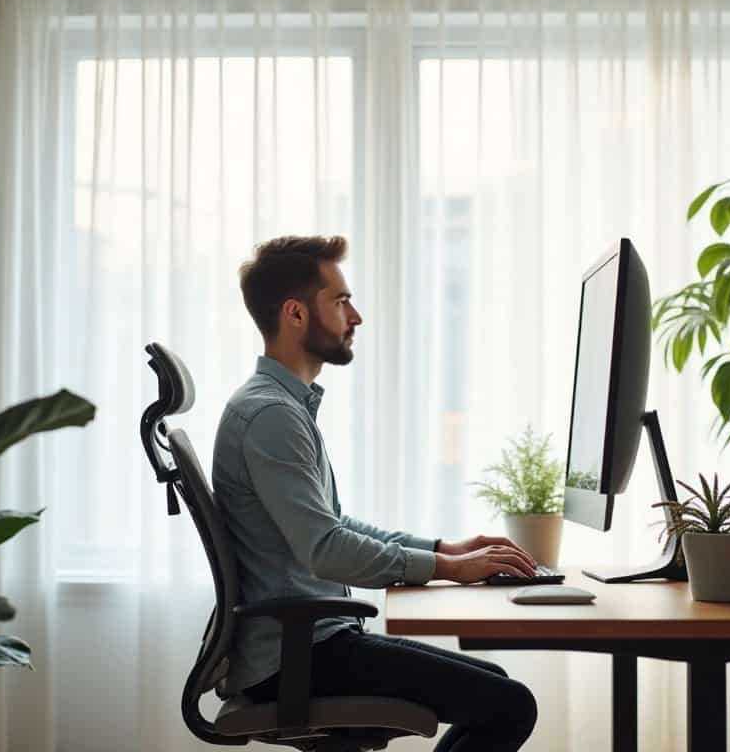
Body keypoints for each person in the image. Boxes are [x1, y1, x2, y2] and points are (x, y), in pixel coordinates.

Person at [212, 235, 539, 751]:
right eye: (341, 301)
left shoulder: (281, 407)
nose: (356, 316)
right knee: (508, 704)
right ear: (296, 314)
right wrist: (449, 570)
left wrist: (441, 550)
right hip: (297, 657)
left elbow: (334, 526)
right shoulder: (271, 416)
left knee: (496, 687)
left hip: (314, 643)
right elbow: (327, 551)